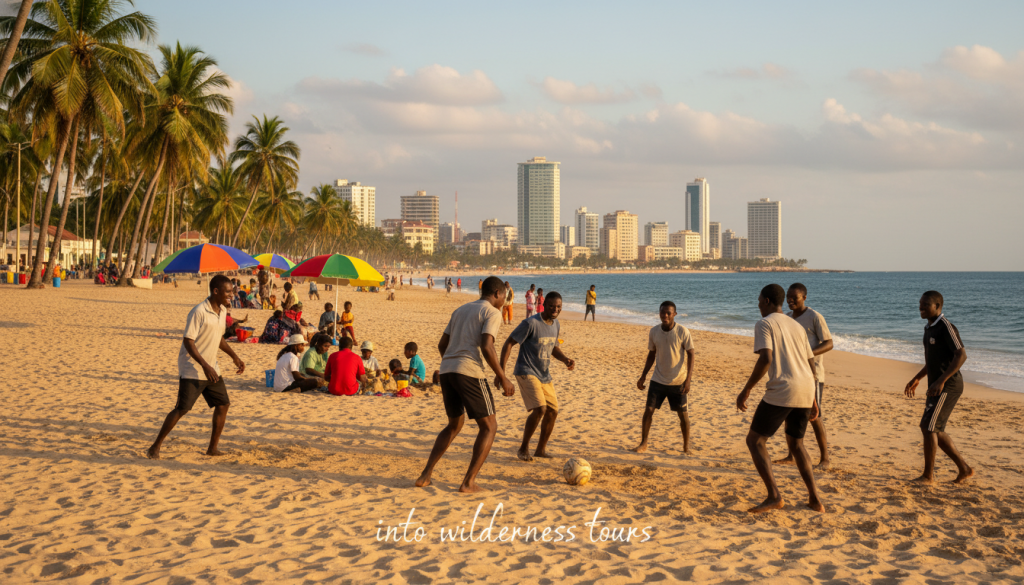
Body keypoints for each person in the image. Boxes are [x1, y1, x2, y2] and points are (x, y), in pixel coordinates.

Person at [415, 276, 514, 493]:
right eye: (504, 296)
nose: (504, 301)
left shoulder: (460, 310)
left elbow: (442, 344)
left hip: (447, 370)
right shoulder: (493, 312)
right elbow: (487, 346)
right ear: (497, 293)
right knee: (489, 427)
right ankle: (468, 482)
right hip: (468, 371)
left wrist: (451, 361)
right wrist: (502, 376)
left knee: (454, 425)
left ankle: (425, 475)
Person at [736, 284, 824, 514]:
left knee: (755, 441)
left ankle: (774, 496)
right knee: (797, 444)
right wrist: (813, 396)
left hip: (784, 388)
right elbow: (810, 362)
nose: (757, 305)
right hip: (806, 387)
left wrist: (746, 390)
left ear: (766, 301)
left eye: (758, 300)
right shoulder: (796, 325)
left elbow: (766, 359)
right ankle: (815, 499)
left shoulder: (764, 324)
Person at [147, 275, 246, 460]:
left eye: (232, 291)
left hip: (211, 367)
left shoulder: (223, 311)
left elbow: (219, 338)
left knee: (223, 404)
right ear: (215, 291)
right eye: (228, 292)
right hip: (193, 368)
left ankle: (212, 448)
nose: (231, 295)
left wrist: (235, 356)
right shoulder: (198, 311)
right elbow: (188, 341)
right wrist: (205, 365)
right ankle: (155, 446)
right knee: (182, 409)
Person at [904, 291, 973, 484]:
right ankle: (964, 469)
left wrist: (941, 381)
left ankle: (928, 476)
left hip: (948, 385)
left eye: (925, 304)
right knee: (933, 428)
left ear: (937, 306)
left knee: (929, 427)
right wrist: (917, 378)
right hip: (935, 385)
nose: (921, 307)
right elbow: (932, 362)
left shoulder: (946, 327)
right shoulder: (929, 328)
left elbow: (961, 355)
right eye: (920, 303)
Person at [499, 291, 575, 462]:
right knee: (540, 409)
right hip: (526, 371)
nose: (555, 310)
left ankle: (540, 449)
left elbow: (553, 347)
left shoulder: (555, 325)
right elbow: (509, 343)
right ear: (544, 305)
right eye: (552, 306)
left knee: (552, 411)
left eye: (559, 307)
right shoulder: (530, 323)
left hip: (544, 374)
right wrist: (501, 373)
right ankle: (523, 448)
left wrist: (565, 360)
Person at [775, 283, 834, 468]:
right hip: (792, 373)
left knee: (814, 415)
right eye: (788, 298)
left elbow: (829, 343)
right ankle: (791, 455)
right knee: (789, 413)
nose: (790, 301)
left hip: (812, 375)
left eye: (795, 298)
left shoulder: (814, 317)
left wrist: (807, 354)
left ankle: (825, 459)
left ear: (804, 298)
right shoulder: (787, 318)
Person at [633, 301, 696, 454]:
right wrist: (643, 376)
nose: (665, 315)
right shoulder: (654, 332)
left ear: (675, 314)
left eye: (668, 313)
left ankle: (686, 447)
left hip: (678, 381)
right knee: (648, 411)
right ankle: (644, 443)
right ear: (659, 313)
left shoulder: (683, 331)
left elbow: (691, 354)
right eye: (662, 312)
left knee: (683, 416)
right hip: (658, 380)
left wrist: (688, 380)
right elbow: (651, 354)